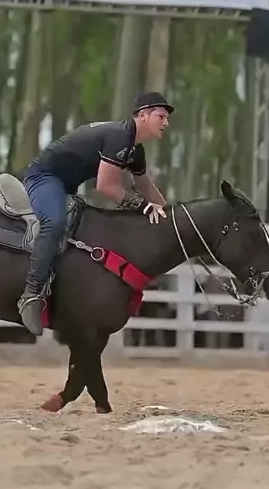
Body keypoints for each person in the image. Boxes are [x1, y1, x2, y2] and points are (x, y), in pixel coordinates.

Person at [17, 91, 174, 336]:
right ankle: (31, 295)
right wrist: (144, 207)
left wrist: (173, 216)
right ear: (143, 116)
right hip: (44, 177)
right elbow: (106, 186)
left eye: (167, 118)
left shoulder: (135, 148)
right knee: (54, 223)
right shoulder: (119, 136)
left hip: (66, 185)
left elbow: (145, 185)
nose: (166, 123)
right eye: (161, 116)